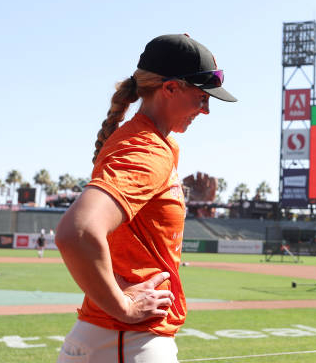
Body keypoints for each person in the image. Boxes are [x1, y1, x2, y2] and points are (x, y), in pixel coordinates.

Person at [55, 34, 237, 362]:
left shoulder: (151, 141)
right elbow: (77, 231)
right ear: (170, 88)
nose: (206, 109)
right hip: (125, 341)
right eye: (201, 97)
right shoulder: (146, 149)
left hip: (119, 340)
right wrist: (123, 304)